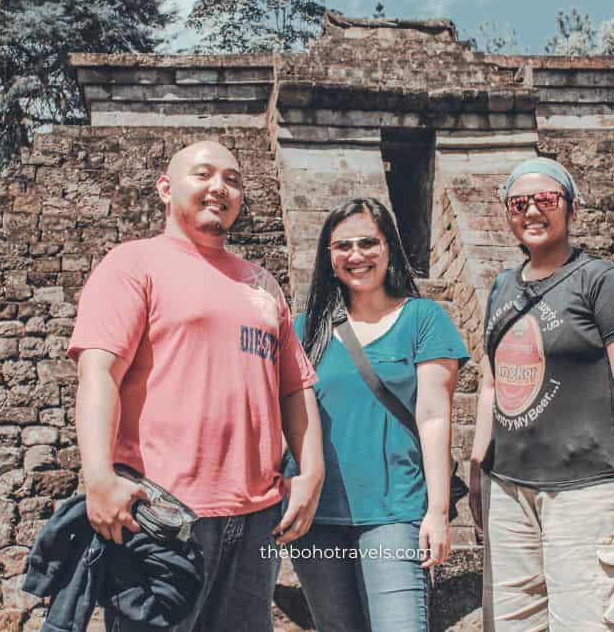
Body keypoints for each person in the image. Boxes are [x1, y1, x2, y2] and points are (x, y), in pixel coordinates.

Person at [66, 140, 325, 632]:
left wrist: (311, 473)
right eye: (203, 174)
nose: (219, 188)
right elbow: (99, 372)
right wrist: (97, 475)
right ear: (166, 189)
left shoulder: (261, 284)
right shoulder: (133, 264)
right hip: (162, 513)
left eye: (232, 179)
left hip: (256, 519)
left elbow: (295, 388)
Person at [468, 157, 614, 631]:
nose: (532, 210)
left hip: (586, 488)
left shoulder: (601, 281)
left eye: (546, 199)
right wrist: (477, 469)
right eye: (519, 202)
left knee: (592, 621)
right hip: (508, 489)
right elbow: (492, 383)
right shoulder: (501, 287)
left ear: (571, 208)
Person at [284, 197, 469, 632]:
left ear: (389, 248)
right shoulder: (303, 329)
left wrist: (438, 512)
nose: (356, 255)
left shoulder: (423, 318)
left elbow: (433, 417)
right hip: (316, 518)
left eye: (369, 242)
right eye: (342, 246)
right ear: (329, 258)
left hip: (393, 512)